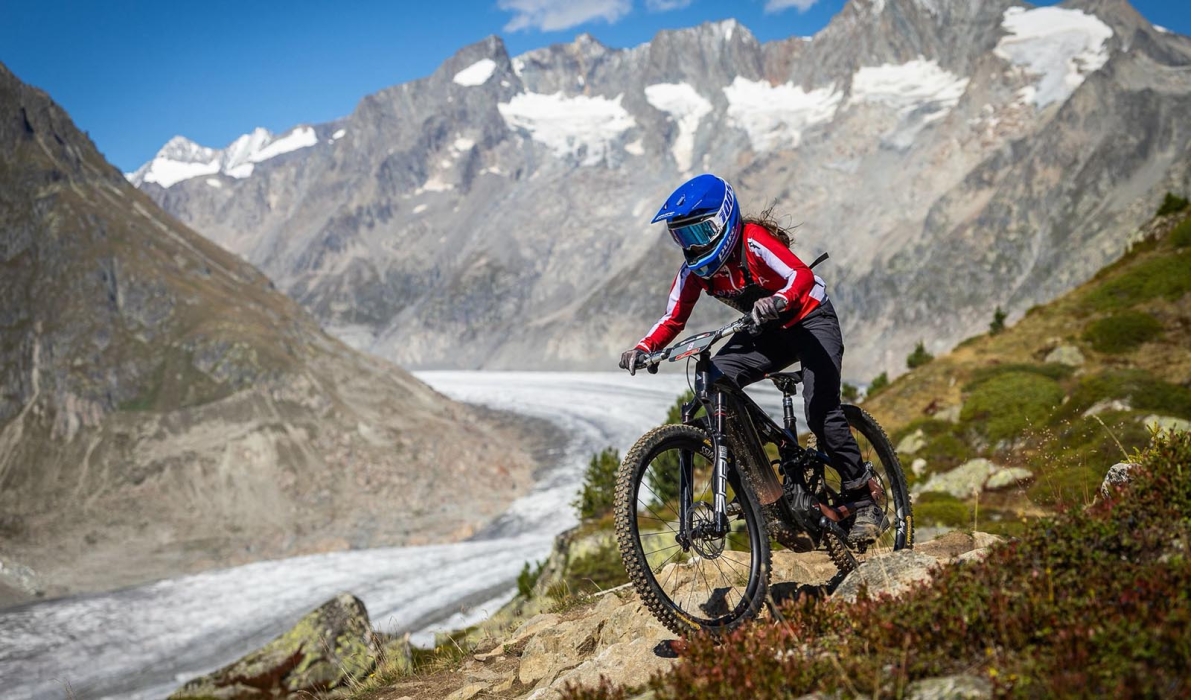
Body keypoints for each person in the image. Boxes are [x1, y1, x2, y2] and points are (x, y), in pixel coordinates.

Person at [618, 174, 886, 544]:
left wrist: (780, 299)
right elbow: (673, 317)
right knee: (714, 381)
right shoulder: (693, 271)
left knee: (821, 412)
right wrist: (644, 347)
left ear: (723, 221)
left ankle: (863, 497)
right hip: (768, 330)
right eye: (683, 237)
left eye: (699, 233)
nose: (692, 246)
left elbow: (801, 275)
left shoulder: (753, 241)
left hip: (810, 321)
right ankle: (764, 490)